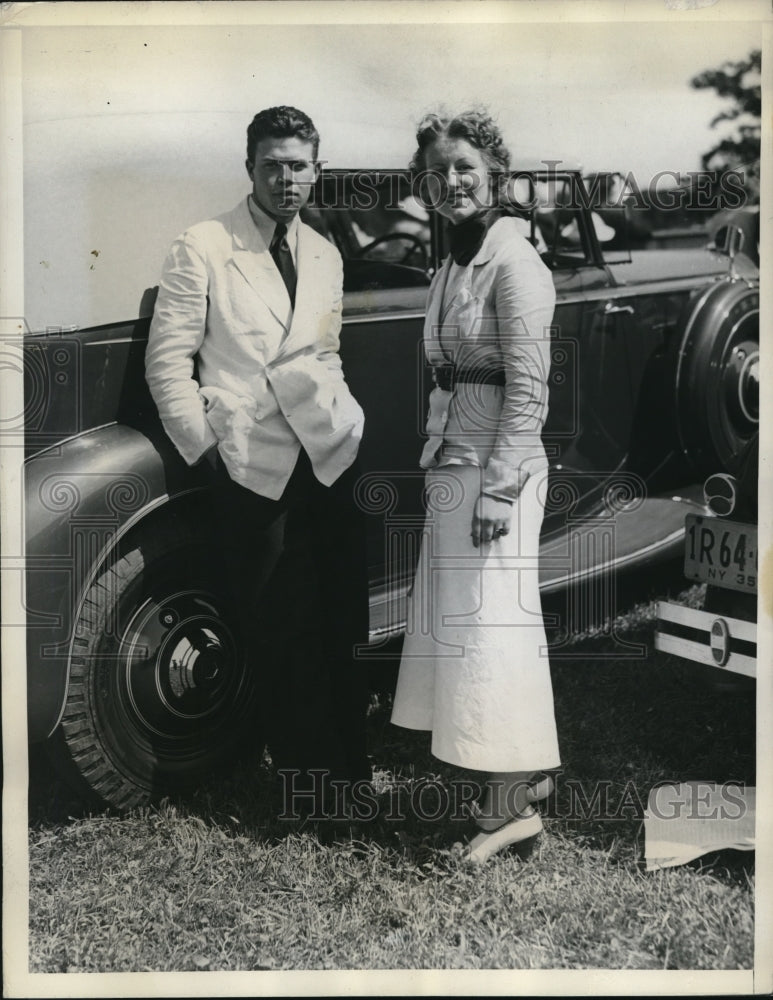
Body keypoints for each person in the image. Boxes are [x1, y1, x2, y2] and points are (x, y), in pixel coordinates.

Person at [145, 106, 370, 815]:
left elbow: (324, 352)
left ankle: (351, 774)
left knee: (341, 619)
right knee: (284, 625)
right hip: (250, 463)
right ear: (249, 169)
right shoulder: (204, 244)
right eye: (271, 164)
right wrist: (207, 450)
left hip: (329, 454)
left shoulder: (325, 252)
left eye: (298, 165)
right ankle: (312, 789)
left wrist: (346, 416)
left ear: (316, 170)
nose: (285, 178)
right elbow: (166, 363)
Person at [391, 110, 561, 864]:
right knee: (472, 633)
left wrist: (498, 485)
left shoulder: (512, 260)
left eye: (464, 165)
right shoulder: (453, 263)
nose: (451, 180)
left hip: (496, 473)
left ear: (494, 172)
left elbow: (529, 387)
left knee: (496, 636)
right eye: (437, 170)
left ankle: (507, 812)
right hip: (451, 463)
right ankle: (520, 781)